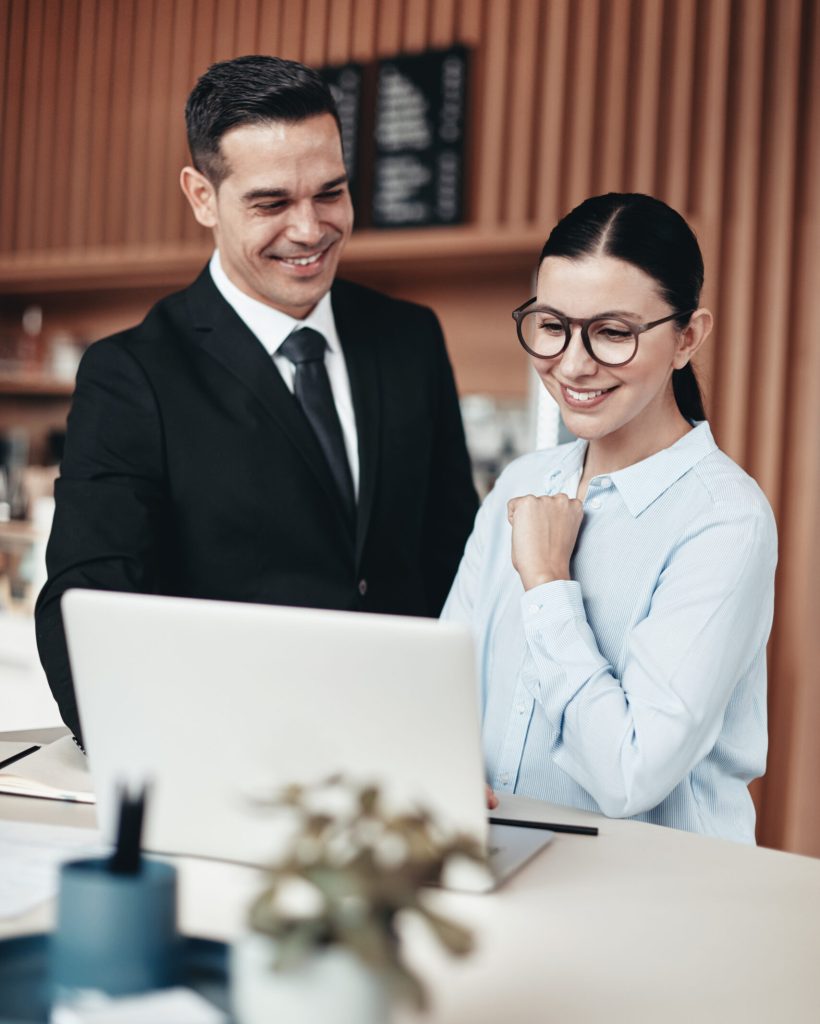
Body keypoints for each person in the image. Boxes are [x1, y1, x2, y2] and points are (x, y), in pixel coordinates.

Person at [36, 55, 478, 746]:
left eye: (330, 192)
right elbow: (84, 604)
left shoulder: (409, 337)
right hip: (234, 759)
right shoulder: (133, 373)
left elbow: (456, 557)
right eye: (272, 203)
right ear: (202, 196)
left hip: (410, 752)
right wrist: (167, 759)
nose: (310, 230)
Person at [443, 193, 776, 842]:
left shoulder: (725, 521)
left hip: (654, 900)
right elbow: (442, 686)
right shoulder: (521, 483)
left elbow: (630, 773)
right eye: (551, 325)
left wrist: (546, 583)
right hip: (496, 869)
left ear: (687, 338)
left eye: (613, 332)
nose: (572, 363)